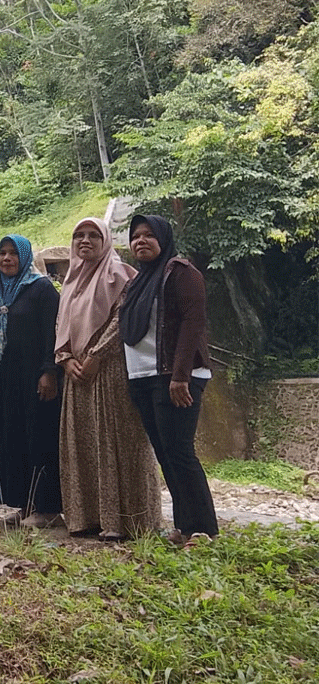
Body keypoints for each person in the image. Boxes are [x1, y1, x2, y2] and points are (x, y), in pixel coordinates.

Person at [56, 218, 161, 540]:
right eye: (78, 235)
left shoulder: (123, 276)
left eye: (92, 235)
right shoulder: (71, 284)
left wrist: (96, 356)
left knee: (116, 442)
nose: (84, 241)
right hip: (76, 376)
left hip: (111, 372)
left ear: (106, 240)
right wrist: (65, 359)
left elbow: (122, 321)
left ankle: (126, 520)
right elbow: (60, 326)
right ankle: (86, 518)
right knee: (81, 445)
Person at [120, 214, 218, 542]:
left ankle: (203, 530)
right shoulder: (137, 281)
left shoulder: (180, 272)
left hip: (175, 376)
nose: (141, 241)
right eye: (135, 236)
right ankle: (184, 527)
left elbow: (193, 322)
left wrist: (180, 376)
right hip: (144, 376)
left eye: (148, 235)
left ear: (163, 238)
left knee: (179, 451)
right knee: (165, 453)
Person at [0, 234, 62, 526]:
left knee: (40, 438)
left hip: (36, 378)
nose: (6, 259)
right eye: (2, 253)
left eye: (13, 253)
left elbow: (52, 333)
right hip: (6, 381)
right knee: (14, 440)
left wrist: (49, 371)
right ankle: (25, 506)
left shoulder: (42, 289)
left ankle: (48, 508)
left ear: (25, 257)